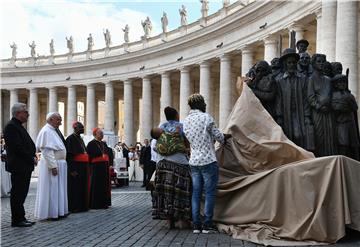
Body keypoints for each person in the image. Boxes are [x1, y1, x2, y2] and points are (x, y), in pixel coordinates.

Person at [183, 95, 231, 234]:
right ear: (199, 104)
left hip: (194, 161)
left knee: (196, 193)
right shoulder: (206, 117)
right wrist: (226, 137)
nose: (205, 105)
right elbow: (219, 137)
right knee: (209, 193)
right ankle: (207, 224)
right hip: (208, 160)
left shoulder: (186, 121)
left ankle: (196, 225)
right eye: (204, 102)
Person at [152, 106, 192, 229]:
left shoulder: (161, 127)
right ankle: (181, 218)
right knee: (180, 192)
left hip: (162, 164)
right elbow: (187, 142)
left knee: (166, 193)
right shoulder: (181, 126)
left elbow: (155, 144)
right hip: (179, 164)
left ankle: (169, 220)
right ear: (176, 115)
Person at [3, 103, 37, 227]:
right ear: (18, 113)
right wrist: (31, 158)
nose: (28, 114)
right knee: (18, 193)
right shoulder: (12, 127)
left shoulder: (18, 126)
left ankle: (20, 217)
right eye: (25, 112)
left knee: (22, 193)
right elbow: (17, 147)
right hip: (19, 165)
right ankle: (17, 219)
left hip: (23, 165)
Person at [275, 48, 314, 151]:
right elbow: (278, 100)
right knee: (288, 136)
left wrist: (307, 115)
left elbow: (306, 98)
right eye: (289, 62)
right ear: (285, 64)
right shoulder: (279, 80)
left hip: (299, 112)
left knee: (299, 135)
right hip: (286, 113)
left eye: (293, 62)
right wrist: (279, 116)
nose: (292, 64)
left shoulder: (303, 78)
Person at [34, 112, 68, 220]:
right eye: (59, 120)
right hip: (53, 165)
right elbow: (47, 151)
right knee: (52, 189)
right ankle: (52, 213)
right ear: (51, 119)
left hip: (59, 163)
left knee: (58, 189)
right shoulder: (46, 131)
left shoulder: (53, 131)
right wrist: (53, 166)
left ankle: (58, 211)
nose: (61, 122)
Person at [308, 53, 336, 156]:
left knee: (330, 136)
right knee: (319, 137)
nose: (321, 63)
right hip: (318, 113)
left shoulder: (328, 80)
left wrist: (329, 106)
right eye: (318, 61)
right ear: (313, 63)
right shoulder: (311, 79)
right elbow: (311, 97)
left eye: (323, 61)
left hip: (329, 113)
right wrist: (318, 106)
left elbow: (331, 95)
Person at [331, 74, 360, 160]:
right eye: (340, 82)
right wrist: (344, 105)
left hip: (351, 122)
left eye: (344, 82)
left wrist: (348, 100)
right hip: (341, 122)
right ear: (336, 84)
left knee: (354, 145)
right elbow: (335, 107)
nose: (342, 84)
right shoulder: (334, 95)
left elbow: (355, 107)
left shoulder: (349, 95)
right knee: (343, 143)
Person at [65, 122, 90, 213]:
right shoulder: (70, 139)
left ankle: (82, 206)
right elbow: (69, 156)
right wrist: (72, 170)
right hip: (76, 167)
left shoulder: (80, 138)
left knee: (82, 187)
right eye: (81, 127)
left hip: (83, 167)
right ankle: (74, 207)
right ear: (75, 128)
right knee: (75, 188)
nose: (83, 129)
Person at [87, 128, 111, 209]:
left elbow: (108, 153)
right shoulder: (91, 144)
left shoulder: (104, 144)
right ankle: (96, 204)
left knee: (104, 185)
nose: (102, 134)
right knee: (96, 186)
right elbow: (90, 155)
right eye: (100, 133)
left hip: (104, 167)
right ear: (95, 134)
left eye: (102, 133)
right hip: (96, 167)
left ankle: (104, 203)